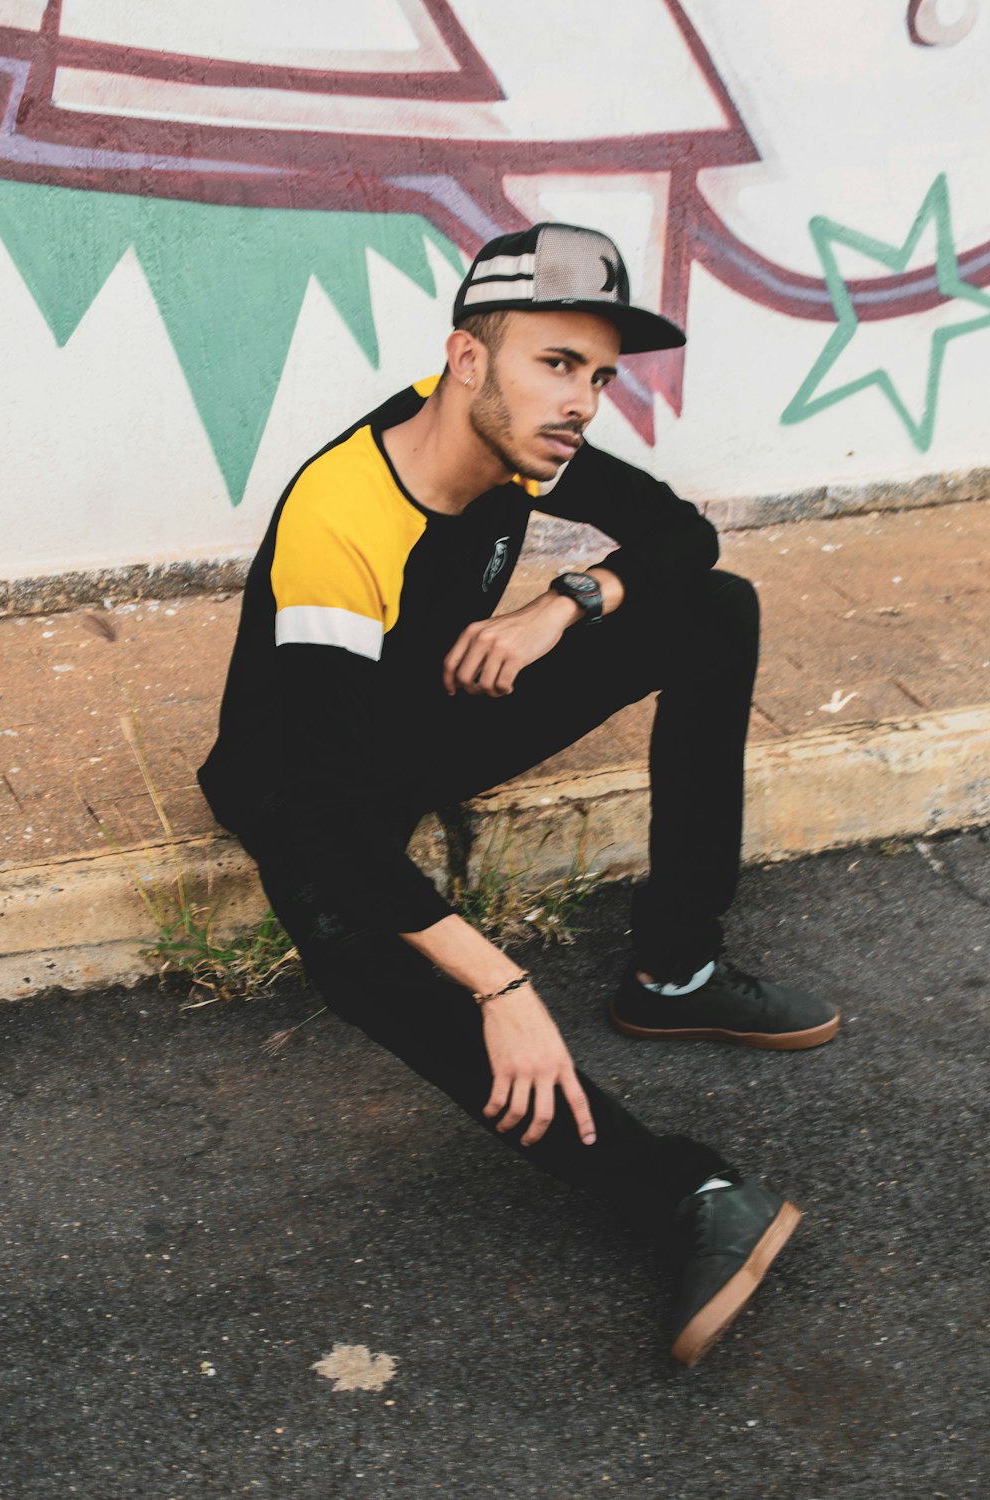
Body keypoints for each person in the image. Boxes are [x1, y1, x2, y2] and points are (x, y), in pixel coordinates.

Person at [198, 222, 839, 1367]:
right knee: (365, 953)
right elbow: (327, 817)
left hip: (435, 716)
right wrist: (500, 981)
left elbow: (679, 534)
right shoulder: (342, 521)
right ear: (465, 358)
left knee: (712, 609)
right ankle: (681, 1193)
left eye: (598, 375)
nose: (583, 401)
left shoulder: (521, 438)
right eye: (558, 363)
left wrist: (561, 605)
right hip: (306, 785)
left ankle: (674, 967)